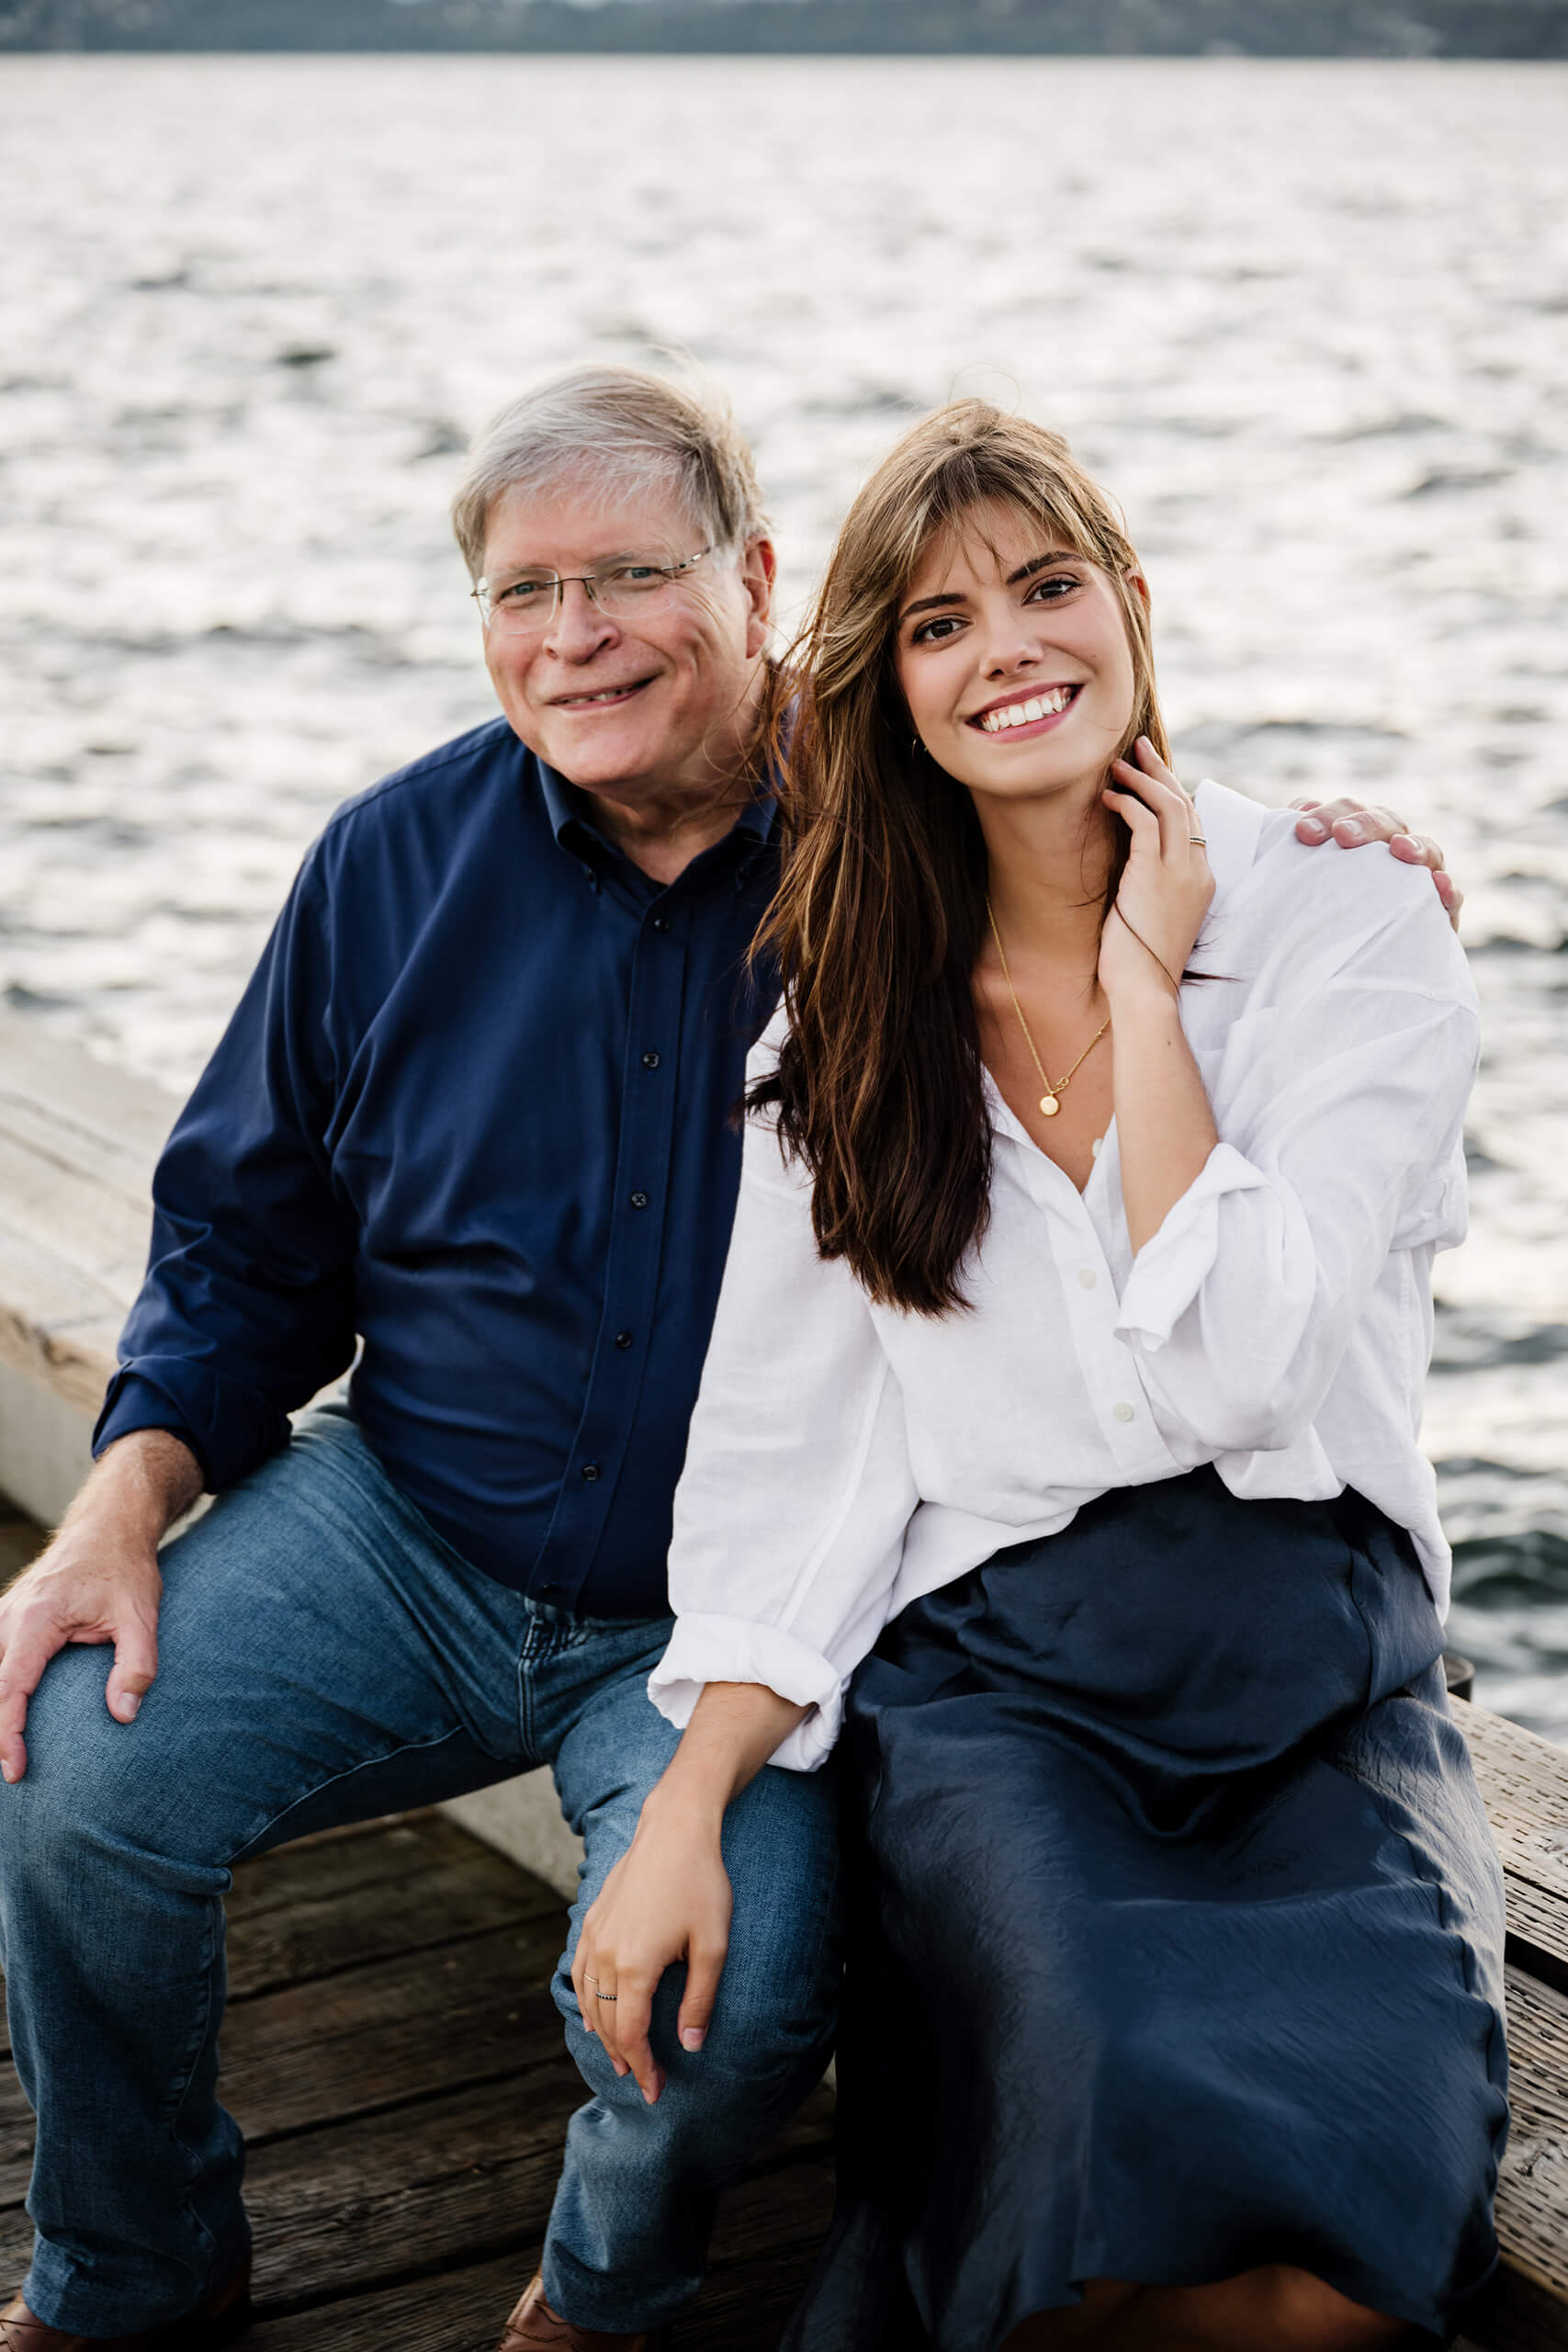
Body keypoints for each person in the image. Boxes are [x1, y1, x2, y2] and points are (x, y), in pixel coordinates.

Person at [0, 368, 1458, 2352]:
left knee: (750, 1977)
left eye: (628, 574)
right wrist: (121, 1495)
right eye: (525, 591)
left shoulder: (881, 856)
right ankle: (134, 2262)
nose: (573, 633)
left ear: (755, 580)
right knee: (76, 1775)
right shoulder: (389, 863)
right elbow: (245, 1239)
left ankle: (601, 2296)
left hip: (734, 1602)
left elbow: (1049, 717)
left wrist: (1305, 845)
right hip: (412, 1512)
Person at [578, 401, 1508, 2352]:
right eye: (933, 622)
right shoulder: (837, 1033)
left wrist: (1146, 987)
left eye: (1043, 586)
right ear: (893, 690)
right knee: (1085, 2181)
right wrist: (689, 1795)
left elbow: (1252, 1362)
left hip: (1315, 1666)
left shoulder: (1349, 927)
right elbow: (792, 1454)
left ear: (1132, 611)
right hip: (1006, 1686)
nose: (1002, 646)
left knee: (1331, 2266)